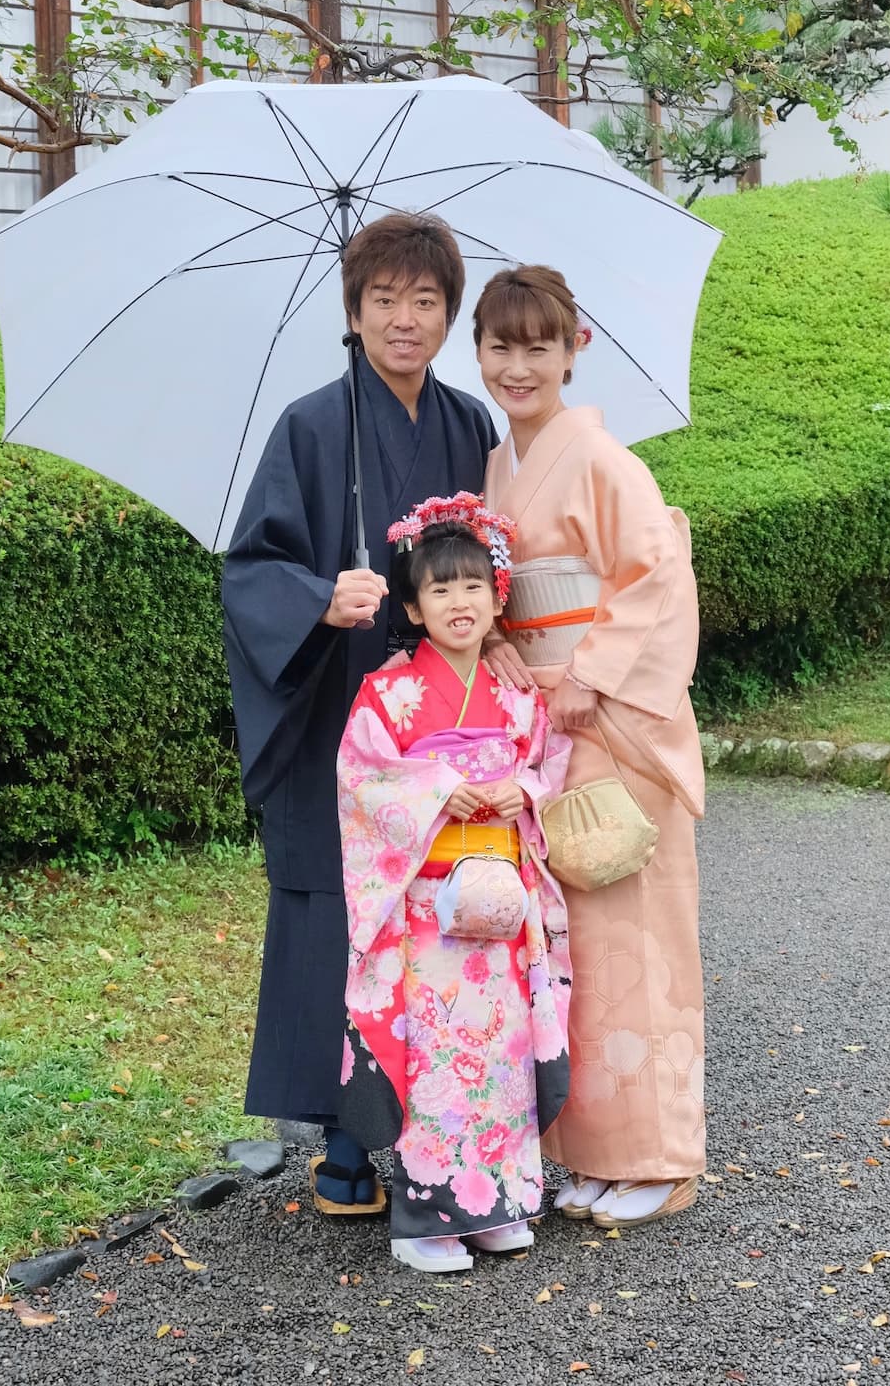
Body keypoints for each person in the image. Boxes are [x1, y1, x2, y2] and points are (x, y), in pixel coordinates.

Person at [221, 213, 498, 1217]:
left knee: (441, 912)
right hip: (345, 714)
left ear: (448, 313)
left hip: (446, 719)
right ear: (353, 309)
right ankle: (344, 1135)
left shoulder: (470, 425)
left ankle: (444, 1120)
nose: (403, 318)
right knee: (350, 915)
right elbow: (252, 564)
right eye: (382, 298)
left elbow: (493, 561)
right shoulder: (308, 424)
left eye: (424, 300)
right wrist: (316, 596)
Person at [477, 263, 707, 1229]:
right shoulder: (499, 464)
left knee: (631, 930)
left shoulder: (608, 461)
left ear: (576, 350)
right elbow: (498, 582)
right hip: (542, 713)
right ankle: (584, 1146)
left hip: (605, 714)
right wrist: (493, 636)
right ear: (478, 352)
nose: (518, 367)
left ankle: (656, 1151)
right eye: (500, 346)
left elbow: (654, 573)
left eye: (539, 346)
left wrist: (591, 677)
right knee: (566, 939)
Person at [334, 496, 572, 1271]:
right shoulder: (389, 693)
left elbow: (547, 764)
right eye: (438, 590)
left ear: (497, 597)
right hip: (429, 914)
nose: (457, 602)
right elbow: (362, 780)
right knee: (440, 1062)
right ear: (410, 606)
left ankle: (495, 1203)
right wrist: (438, 789)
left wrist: (522, 793)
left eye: (472, 586)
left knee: (500, 1057)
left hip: (500, 905)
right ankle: (426, 1223)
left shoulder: (515, 696)